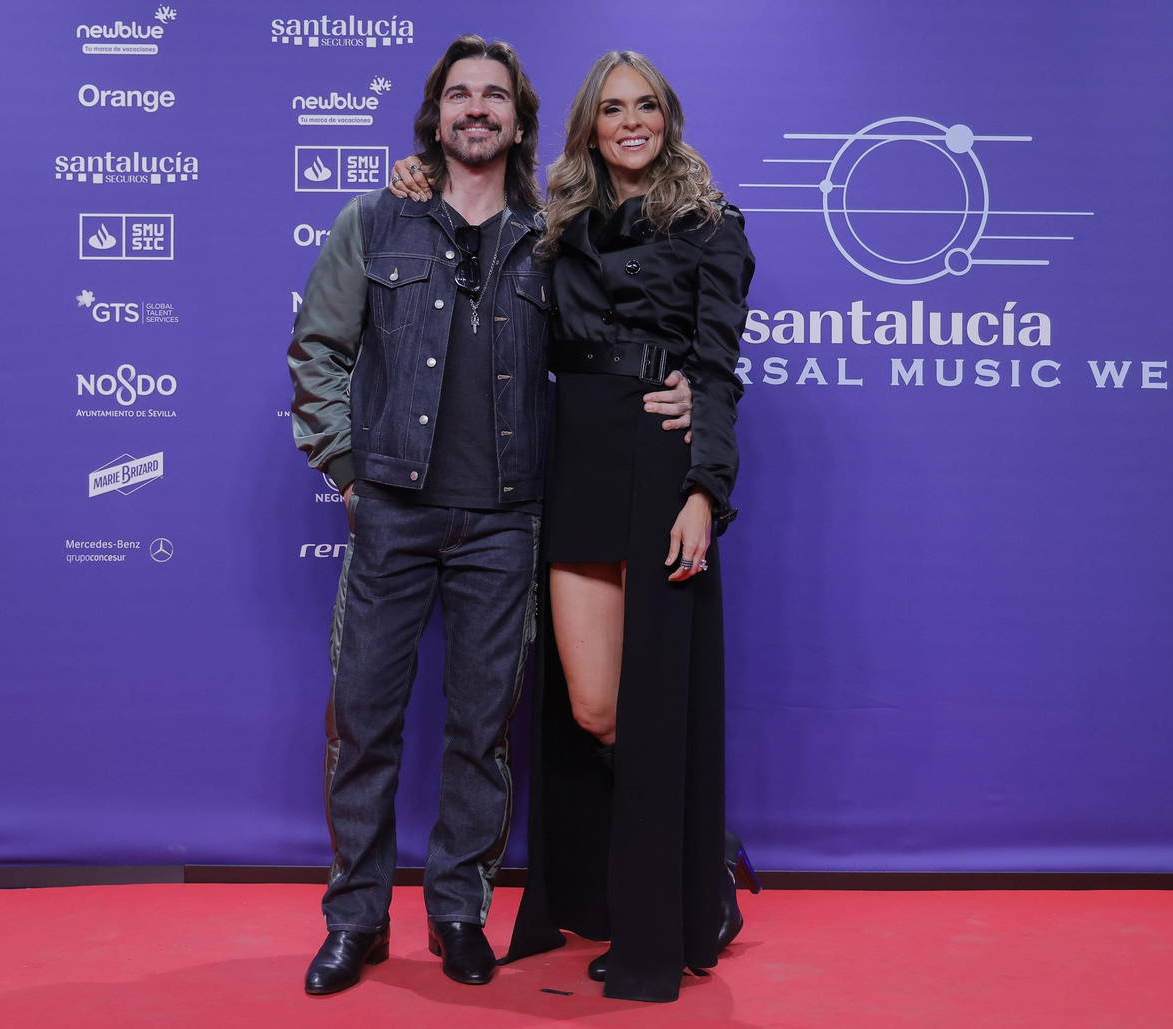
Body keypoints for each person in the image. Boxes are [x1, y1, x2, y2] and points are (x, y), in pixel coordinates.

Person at [286, 35, 692, 997]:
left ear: (519, 119)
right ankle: (356, 921)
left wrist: (680, 386)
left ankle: (459, 914)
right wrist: (349, 469)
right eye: (459, 94)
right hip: (393, 511)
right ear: (437, 114)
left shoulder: (555, 236)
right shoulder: (376, 219)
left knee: (481, 730)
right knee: (365, 723)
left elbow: (618, 334)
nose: (477, 109)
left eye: (495, 96)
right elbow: (316, 351)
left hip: (508, 520)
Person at [389, 49, 757, 1003]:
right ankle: (705, 860)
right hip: (577, 465)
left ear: (667, 119)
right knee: (593, 707)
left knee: (657, 705)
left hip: (660, 466)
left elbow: (714, 371)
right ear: (589, 126)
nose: (630, 122)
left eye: (647, 107)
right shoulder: (553, 229)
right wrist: (419, 177)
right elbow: (474, 237)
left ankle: (670, 911)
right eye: (612, 109)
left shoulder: (713, 227)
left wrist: (704, 491)